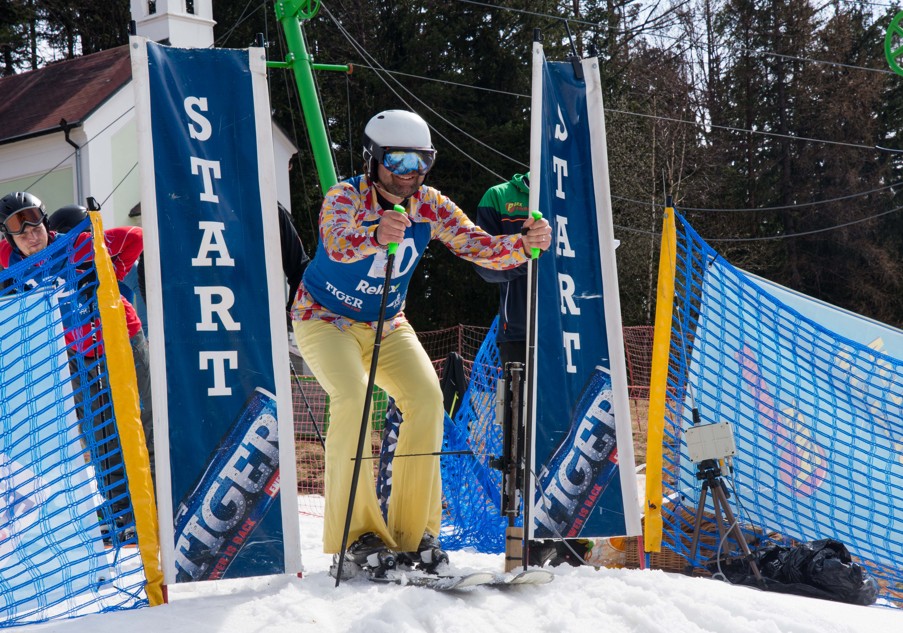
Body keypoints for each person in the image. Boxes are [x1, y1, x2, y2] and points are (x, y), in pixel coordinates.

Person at [291, 110, 551, 578]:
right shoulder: (344, 196)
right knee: (352, 396)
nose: (409, 173)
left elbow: (477, 245)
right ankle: (356, 534)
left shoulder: (430, 204)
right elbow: (336, 243)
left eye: (421, 162)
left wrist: (525, 244)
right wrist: (374, 234)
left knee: (428, 399)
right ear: (373, 159)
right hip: (325, 318)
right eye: (398, 161)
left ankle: (414, 534)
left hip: (387, 324)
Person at [0, 192, 152, 539]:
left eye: (33, 220)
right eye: (17, 227)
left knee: (141, 421)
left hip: (120, 338)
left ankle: (157, 504)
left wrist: (105, 257)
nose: (29, 233)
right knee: (98, 435)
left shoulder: (77, 245)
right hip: (76, 354)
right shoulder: (9, 262)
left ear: (44, 219)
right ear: (8, 236)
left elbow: (136, 238)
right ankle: (120, 512)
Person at [474, 174, 592, 567]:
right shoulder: (500, 197)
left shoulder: (576, 189)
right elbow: (486, 267)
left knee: (571, 428)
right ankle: (530, 531)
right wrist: (523, 249)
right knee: (520, 435)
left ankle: (573, 537)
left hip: (569, 330)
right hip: (519, 331)